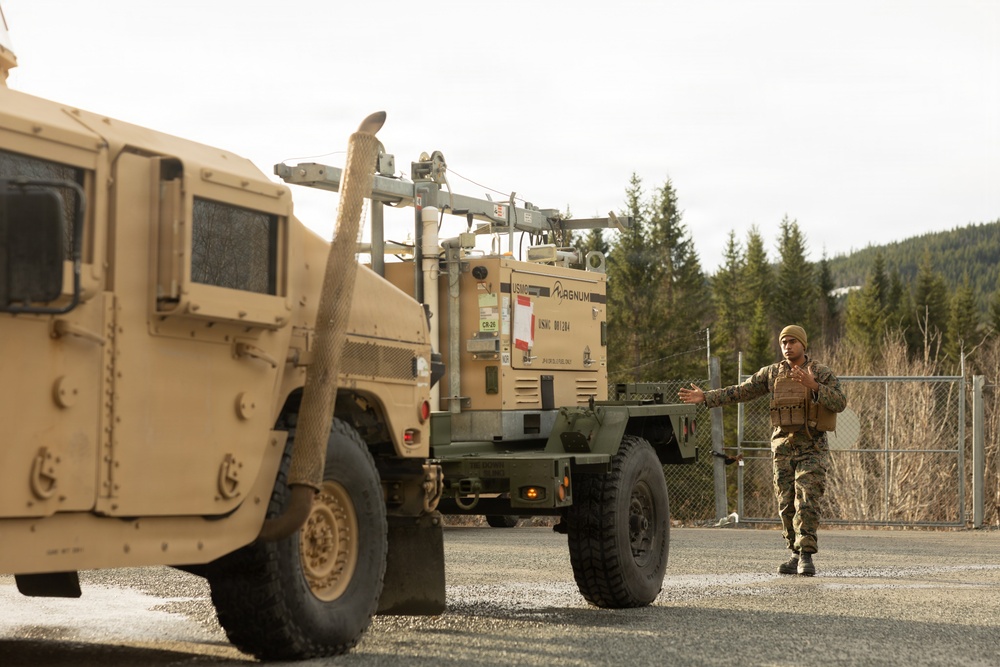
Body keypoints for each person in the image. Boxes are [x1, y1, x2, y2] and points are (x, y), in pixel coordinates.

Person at [678, 325, 846, 576]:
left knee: (807, 502)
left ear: (803, 345)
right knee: (785, 503)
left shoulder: (820, 372)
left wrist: (814, 386)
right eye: (783, 342)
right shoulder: (772, 373)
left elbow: (840, 402)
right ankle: (793, 553)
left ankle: (806, 556)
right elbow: (741, 391)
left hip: (812, 449)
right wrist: (707, 398)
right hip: (782, 450)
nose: (787, 346)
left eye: (792, 342)